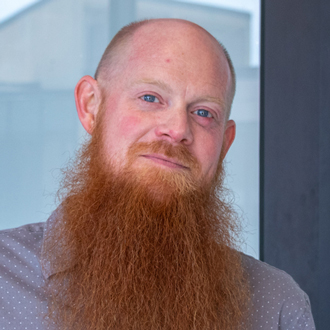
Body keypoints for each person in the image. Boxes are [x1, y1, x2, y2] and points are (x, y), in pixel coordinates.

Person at [0, 19, 315, 330]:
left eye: (204, 113)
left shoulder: (277, 306)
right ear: (91, 106)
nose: (177, 129)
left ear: (224, 143)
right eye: (150, 98)